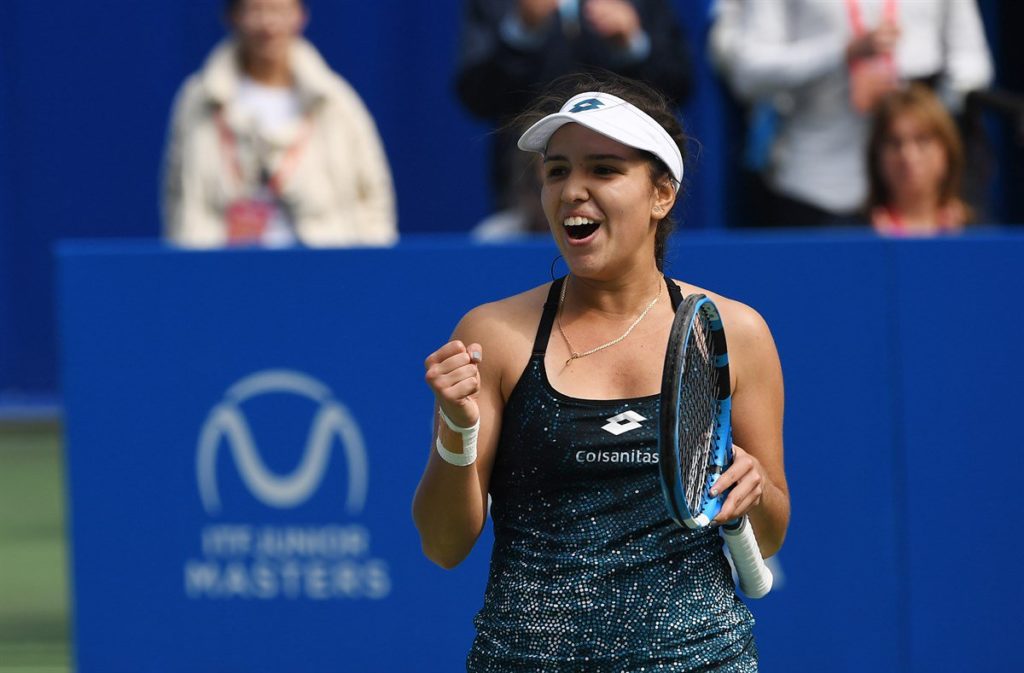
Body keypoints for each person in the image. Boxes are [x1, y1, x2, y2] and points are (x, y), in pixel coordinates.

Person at [413, 73, 789, 671]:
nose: (572, 191)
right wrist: (455, 433)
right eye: (558, 170)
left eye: (604, 170)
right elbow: (442, 545)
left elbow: (767, 537)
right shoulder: (492, 335)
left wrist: (754, 490)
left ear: (661, 195)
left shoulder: (737, 333)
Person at [711, 0, 993, 228]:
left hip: (917, 195)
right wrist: (840, 53)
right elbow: (747, 72)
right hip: (815, 186)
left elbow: (972, 65)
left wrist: (913, 106)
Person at [162, 0, 397, 248]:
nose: (268, 24)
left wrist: (370, 266)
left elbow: (373, 193)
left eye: (279, 11)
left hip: (320, 271)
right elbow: (176, 194)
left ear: (300, 16)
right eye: (255, 11)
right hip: (222, 271)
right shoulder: (198, 99)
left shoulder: (335, 101)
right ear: (232, 17)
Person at [454, 0, 693, 213]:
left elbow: (675, 90)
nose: (574, 192)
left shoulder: (645, 6)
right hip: (520, 196)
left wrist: (632, 44)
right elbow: (478, 95)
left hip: (630, 184)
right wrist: (522, 31)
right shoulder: (493, 5)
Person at [866, 84, 970, 237]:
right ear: (877, 155)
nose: (908, 155)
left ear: (946, 152)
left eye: (922, 141)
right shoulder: (854, 231)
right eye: (895, 143)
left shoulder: (976, 231)